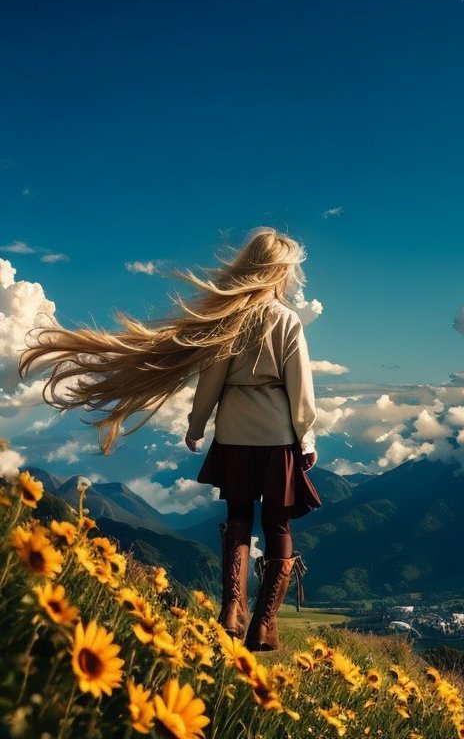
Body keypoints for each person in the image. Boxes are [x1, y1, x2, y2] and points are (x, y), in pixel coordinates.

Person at [18, 227, 321, 652]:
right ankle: (265, 625)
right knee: (278, 525)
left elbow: (210, 380)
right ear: (279, 271)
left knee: (237, 519)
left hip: (233, 430)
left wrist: (197, 425)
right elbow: (300, 387)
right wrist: (306, 439)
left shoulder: (228, 317)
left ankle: (232, 609)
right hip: (276, 432)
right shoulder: (287, 320)